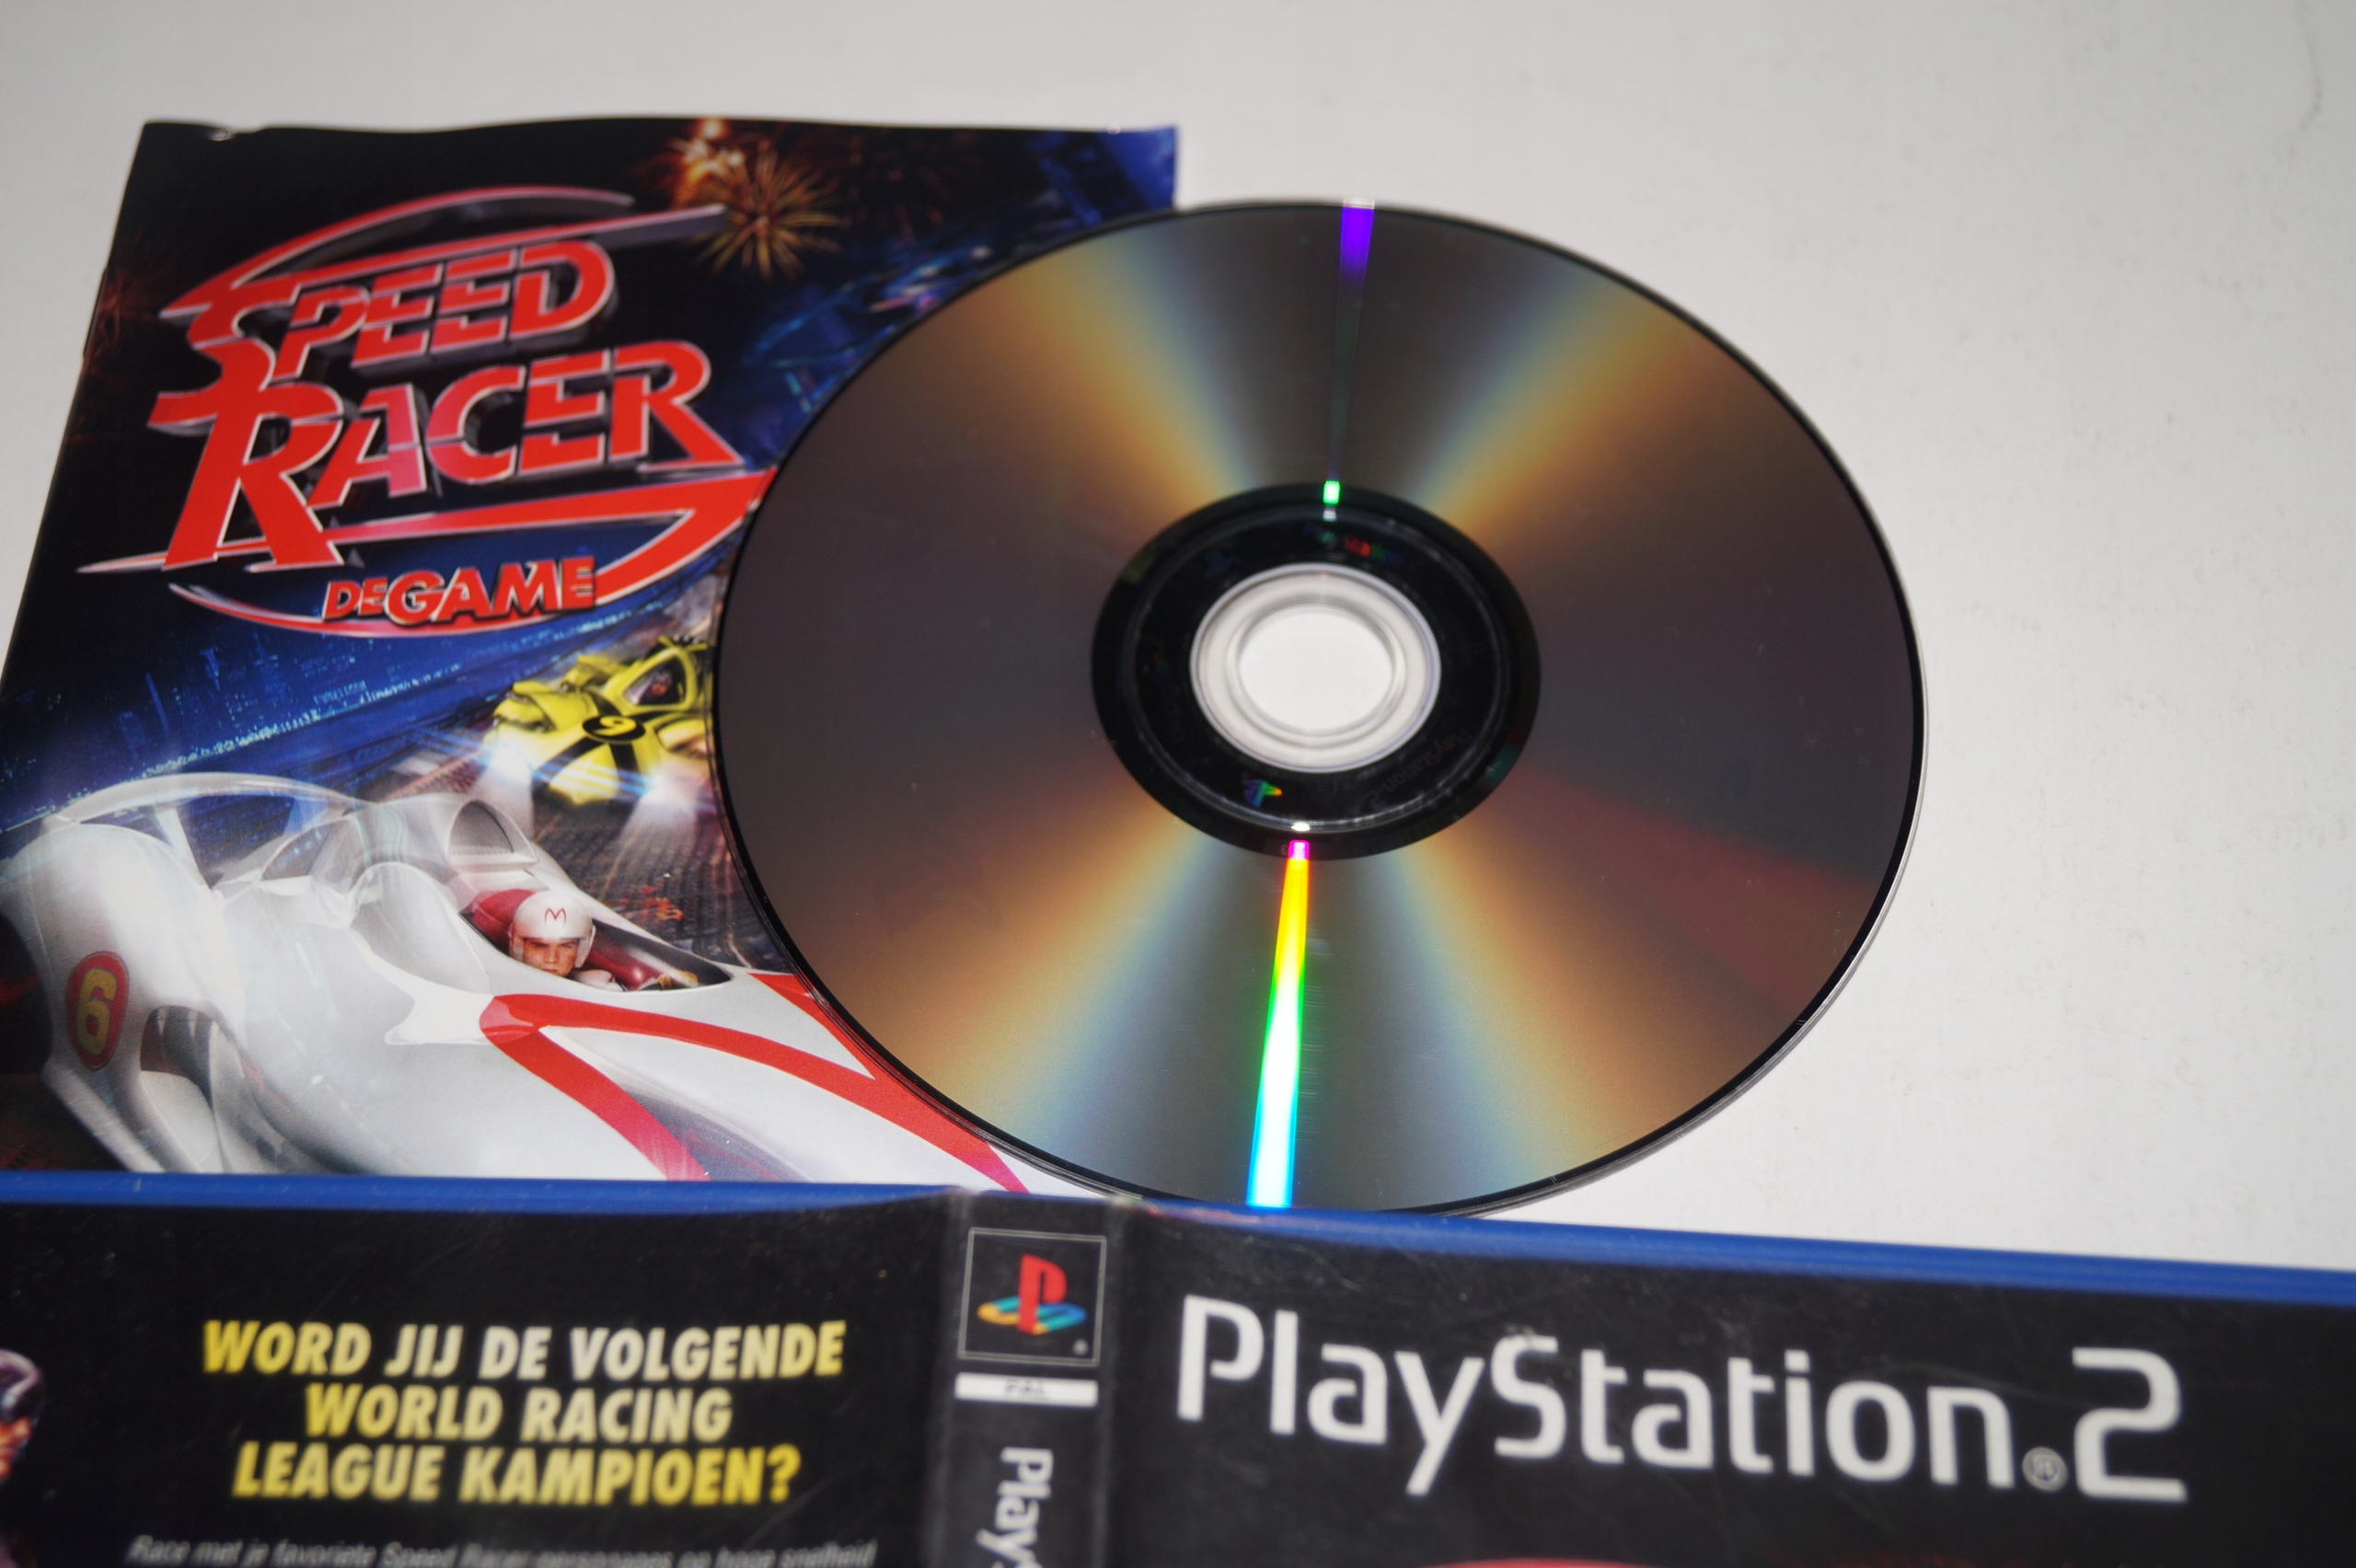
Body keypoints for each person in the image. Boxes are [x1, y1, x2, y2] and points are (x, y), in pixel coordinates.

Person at [506, 891, 617, 988]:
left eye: (566, 946)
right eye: (539, 946)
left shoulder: (599, 991)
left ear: (580, 950)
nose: (551, 959)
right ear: (519, 947)